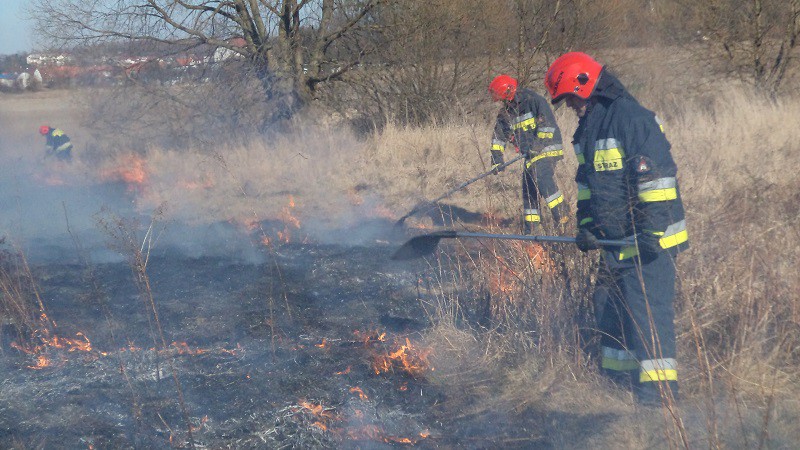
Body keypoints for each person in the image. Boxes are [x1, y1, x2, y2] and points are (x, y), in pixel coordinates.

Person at [544, 52, 688, 405]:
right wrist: (588, 226)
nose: (570, 107)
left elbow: (656, 181)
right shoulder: (588, 132)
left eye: (571, 98)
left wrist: (651, 234)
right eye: (565, 102)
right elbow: (587, 188)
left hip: (650, 239)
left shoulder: (633, 120)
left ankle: (658, 401)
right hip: (615, 240)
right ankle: (616, 388)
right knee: (609, 308)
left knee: (647, 315)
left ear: (586, 84)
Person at [488, 74, 569, 234]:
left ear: (508, 92)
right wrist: (497, 160)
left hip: (548, 147)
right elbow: (498, 138)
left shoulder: (533, 100)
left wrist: (536, 146)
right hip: (530, 154)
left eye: (503, 99)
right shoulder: (506, 112)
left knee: (540, 177)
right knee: (528, 188)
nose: (502, 103)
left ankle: (562, 214)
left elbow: (547, 126)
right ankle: (530, 230)